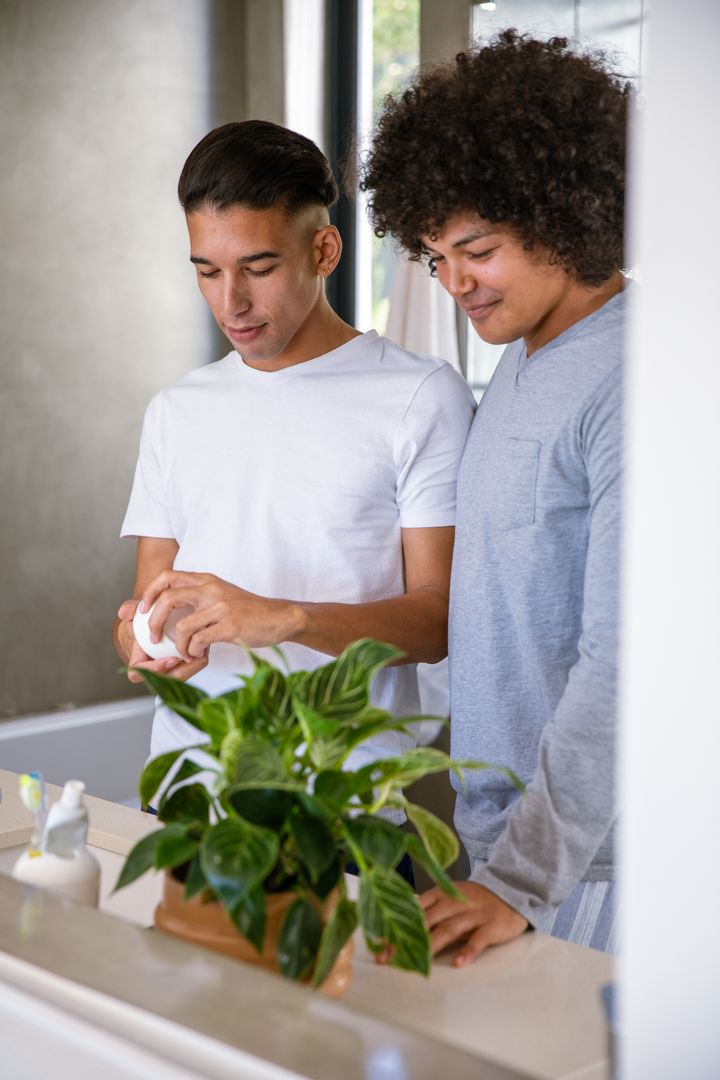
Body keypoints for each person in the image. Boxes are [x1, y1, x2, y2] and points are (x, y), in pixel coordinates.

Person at [113, 121, 476, 840]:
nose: (230, 303)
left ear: (323, 249)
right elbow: (145, 603)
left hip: (341, 808)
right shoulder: (176, 411)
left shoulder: (419, 394)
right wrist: (141, 640)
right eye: (207, 270)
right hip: (187, 794)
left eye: (258, 267)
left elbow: (439, 621)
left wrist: (288, 618)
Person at [360, 28, 630, 959]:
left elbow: (623, 654)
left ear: (558, 209)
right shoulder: (520, 360)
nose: (454, 282)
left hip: (588, 868)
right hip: (500, 845)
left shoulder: (632, 375)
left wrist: (521, 877)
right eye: (434, 256)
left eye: (475, 248)